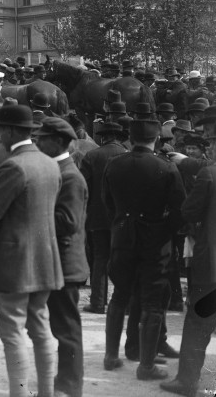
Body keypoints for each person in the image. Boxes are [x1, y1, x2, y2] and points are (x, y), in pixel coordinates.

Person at [0, 104, 64, 397]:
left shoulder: (13, 166)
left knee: (12, 332)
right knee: (40, 329)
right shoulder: (51, 163)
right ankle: (46, 393)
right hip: (45, 261)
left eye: (1, 128)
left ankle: (20, 393)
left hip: (14, 263)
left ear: (13, 131)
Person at [101, 116, 185, 380]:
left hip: (122, 237)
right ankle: (146, 366)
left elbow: (107, 202)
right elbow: (179, 210)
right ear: (157, 139)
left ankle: (111, 356)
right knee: (151, 301)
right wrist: (164, 230)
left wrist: (121, 223)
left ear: (131, 137)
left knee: (118, 297)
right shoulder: (166, 168)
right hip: (155, 241)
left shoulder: (113, 165)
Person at [32, 117, 89, 397]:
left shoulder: (70, 177)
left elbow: (68, 221)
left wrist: (32, 212)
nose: (38, 143)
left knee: (66, 327)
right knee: (60, 325)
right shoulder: (59, 170)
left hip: (66, 264)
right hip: (57, 261)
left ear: (58, 142)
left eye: (42, 139)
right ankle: (65, 379)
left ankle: (70, 384)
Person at [160, 130, 216, 395]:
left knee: (197, 323)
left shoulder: (210, 174)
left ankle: (186, 381)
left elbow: (189, 211)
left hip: (213, 266)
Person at [77, 120, 128, 314]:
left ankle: (98, 302)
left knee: (100, 258)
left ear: (104, 137)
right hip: (123, 217)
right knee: (123, 259)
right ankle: (124, 303)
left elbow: (83, 187)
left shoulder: (92, 155)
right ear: (119, 138)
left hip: (97, 217)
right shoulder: (127, 155)